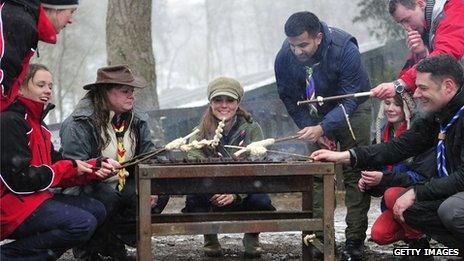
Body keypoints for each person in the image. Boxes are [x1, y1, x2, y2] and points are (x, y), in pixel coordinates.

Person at [311, 54, 464, 248]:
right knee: (411, 210)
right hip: (453, 190)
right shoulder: (438, 115)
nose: (415, 94)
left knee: (452, 211)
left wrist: (418, 191)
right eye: (416, 87)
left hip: (458, 194)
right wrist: (346, 156)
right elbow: (398, 147)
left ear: (448, 86)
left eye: (423, 88)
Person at [274, 11, 372, 259]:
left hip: (353, 108)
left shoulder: (345, 47)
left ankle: (354, 242)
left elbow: (350, 98)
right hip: (314, 111)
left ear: (318, 37)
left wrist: (325, 127)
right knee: (318, 173)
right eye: (292, 45)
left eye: (303, 45)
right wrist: (313, 130)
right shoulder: (285, 57)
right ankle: (319, 238)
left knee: (354, 172)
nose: (297, 51)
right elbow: (288, 97)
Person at [0, 63, 117, 260]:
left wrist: (92, 168)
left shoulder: (39, 124)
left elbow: (57, 164)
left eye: (50, 86)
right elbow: (19, 181)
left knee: (96, 209)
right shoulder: (9, 121)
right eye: (40, 85)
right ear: (20, 86)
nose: (47, 91)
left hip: (34, 200)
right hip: (10, 207)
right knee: (82, 223)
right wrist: (69, 167)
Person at [59, 65, 169, 260]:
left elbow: (149, 155)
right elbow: (73, 172)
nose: (131, 96)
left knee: (159, 191)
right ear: (105, 93)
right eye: (125, 91)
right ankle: (88, 247)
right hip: (88, 188)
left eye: (132, 91)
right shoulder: (79, 123)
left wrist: (151, 187)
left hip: (123, 183)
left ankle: (112, 239)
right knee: (106, 198)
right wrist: (97, 170)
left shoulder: (137, 118)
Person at [182, 77, 276, 258]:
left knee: (261, 199)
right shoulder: (199, 130)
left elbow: (258, 165)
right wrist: (214, 190)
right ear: (210, 103)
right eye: (218, 100)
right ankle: (210, 236)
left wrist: (235, 194)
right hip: (211, 192)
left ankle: (252, 235)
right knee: (194, 196)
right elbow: (193, 160)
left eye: (230, 100)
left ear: (238, 103)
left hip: (243, 192)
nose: (224, 105)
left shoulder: (251, 128)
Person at [371, 0, 464, 99]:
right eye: (401, 23)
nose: (406, 27)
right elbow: (412, 70)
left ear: (420, 4)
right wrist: (423, 53)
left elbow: (445, 56)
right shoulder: (426, 27)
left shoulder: (455, 8)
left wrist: (400, 84)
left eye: (407, 20)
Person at [0, 0, 79, 112]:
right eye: (71, 11)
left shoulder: (21, 19)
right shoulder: (18, 22)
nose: (71, 20)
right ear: (56, 7)